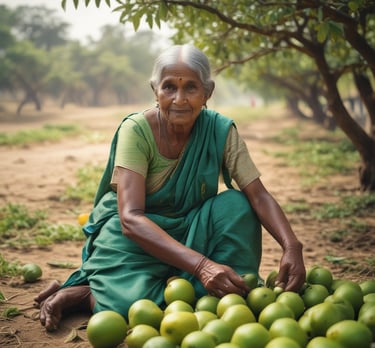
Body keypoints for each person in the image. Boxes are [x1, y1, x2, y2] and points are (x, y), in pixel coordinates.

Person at [35, 44, 306, 331]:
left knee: (238, 206)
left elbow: (259, 195)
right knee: (135, 310)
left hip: (191, 226)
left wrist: (291, 245)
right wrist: (202, 266)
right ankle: (86, 292)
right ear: (155, 90)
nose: (179, 99)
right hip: (136, 236)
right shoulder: (136, 131)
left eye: (191, 88)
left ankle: (194, 286)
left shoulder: (220, 130)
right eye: (169, 88)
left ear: (207, 93)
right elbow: (130, 218)